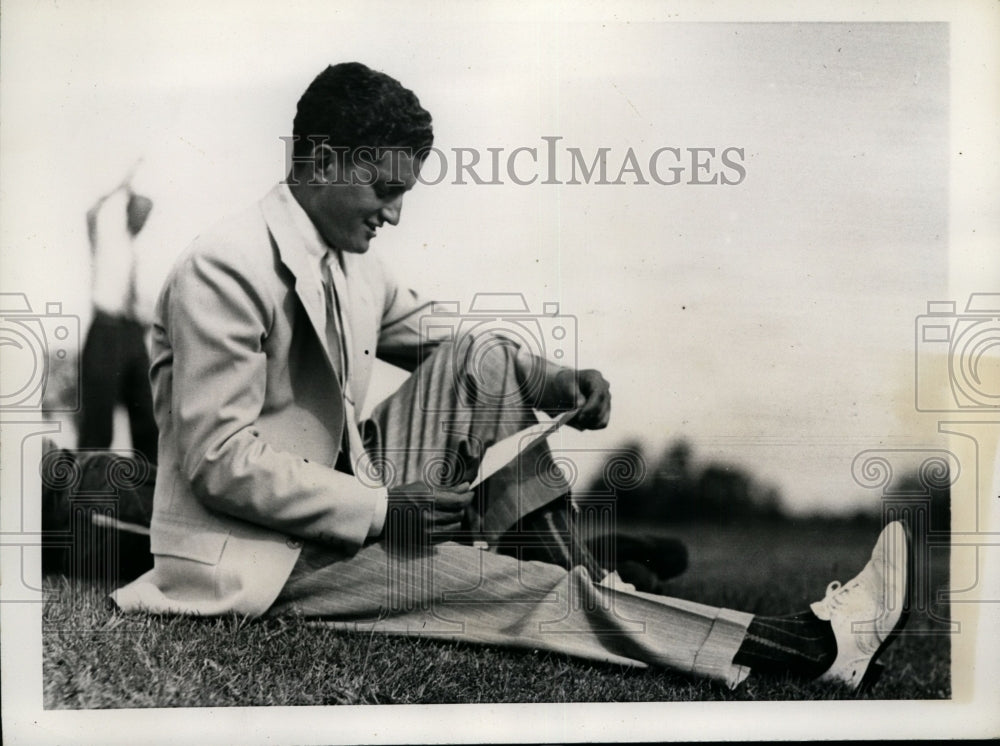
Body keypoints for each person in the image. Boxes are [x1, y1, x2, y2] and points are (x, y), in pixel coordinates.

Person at [109, 62, 910, 691]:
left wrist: (554, 379)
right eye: (385, 190)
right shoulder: (224, 266)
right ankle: (815, 648)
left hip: (336, 503)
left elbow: (449, 349)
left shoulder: (351, 262)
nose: (394, 214)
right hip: (263, 558)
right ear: (320, 164)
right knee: (524, 593)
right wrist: (386, 507)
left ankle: (591, 579)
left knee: (487, 358)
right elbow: (220, 462)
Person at [78, 171, 159, 464]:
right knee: (98, 424)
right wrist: (119, 187)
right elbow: (91, 213)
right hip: (105, 330)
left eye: (146, 214)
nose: (142, 218)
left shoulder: (144, 252)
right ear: (127, 211)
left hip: (135, 336)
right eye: (138, 211)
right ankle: (85, 495)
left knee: (147, 420)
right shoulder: (108, 240)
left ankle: (148, 493)